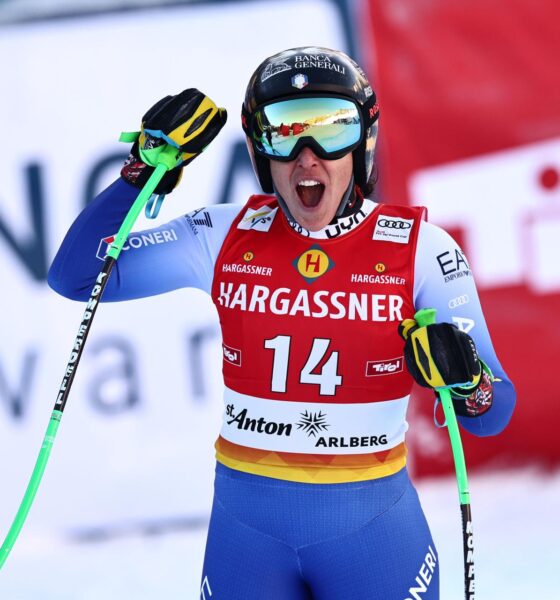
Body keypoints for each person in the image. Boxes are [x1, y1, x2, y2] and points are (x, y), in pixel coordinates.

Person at [48, 47, 516, 599]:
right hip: (248, 542)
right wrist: (141, 171)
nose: (308, 157)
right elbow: (75, 276)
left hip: (374, 540)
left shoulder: (421, 250)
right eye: (284, 132)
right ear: (257, 150)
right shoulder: (220, 235)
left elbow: (493, 413)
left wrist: (468, 382)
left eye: (333, 129)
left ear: (363, 141)